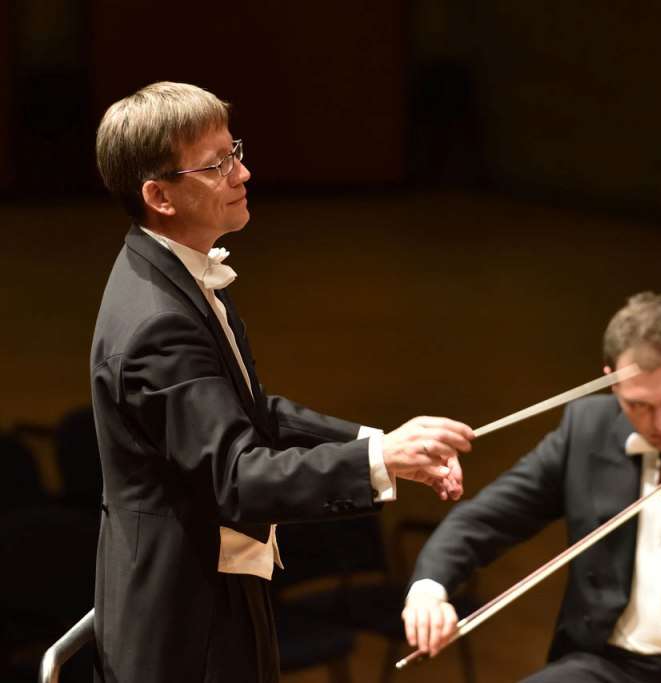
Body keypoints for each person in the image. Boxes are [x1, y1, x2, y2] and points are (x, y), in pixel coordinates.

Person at [90, 81, 474, 683]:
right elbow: (237, 477)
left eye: (235, 151)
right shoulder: (158, 323)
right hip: (181, 625)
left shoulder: (175, 274)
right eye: (217, 165)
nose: (243, 172)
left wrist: (380, 443)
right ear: (159, 196)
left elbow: (251, 411)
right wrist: (378, 460)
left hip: (212, 591)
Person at [402, 293, 661, 683]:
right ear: (611, 381)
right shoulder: (586, 430)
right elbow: (488, 517)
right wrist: (428, 590)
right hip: (607, 666)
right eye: (639, 405)